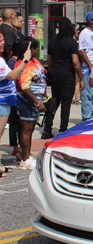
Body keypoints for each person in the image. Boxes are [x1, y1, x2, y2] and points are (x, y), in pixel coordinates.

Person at [42, 17, 84, 139]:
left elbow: (49, 60)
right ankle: (63, 130)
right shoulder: (71, 42)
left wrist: (52, 71)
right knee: (66, 104)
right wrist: (80, 78)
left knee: (54, 101)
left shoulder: (53, 41)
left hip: (55, 73)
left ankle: (47, 129)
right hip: (67, 74)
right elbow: (75, 62)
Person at [15, 37, 47, 169]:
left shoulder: (34, 61)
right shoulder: (25, 63)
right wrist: (37, 101)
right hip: (27, 100)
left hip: (35, 100)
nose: (36, 51)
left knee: (31, 128)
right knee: (26, 129)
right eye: (34, 48)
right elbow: (24, 86)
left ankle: (27, 154)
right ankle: (25, 158)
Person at [0, 35, 31, 165]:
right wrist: (25, 60)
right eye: (0, 40)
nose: (3, 43)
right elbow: (12, 75)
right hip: (2, 101)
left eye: (3, 39)